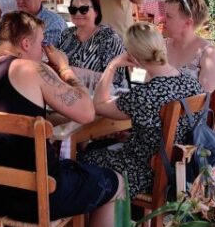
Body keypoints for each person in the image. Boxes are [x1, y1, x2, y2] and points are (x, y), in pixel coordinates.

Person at [0, 11, 123, 227]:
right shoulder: (30, 68)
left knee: (23, 162)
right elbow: (86, 112)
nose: (43, 51)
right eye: (40, 44)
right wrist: (64, 67)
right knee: (115, 183)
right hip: (37, 198)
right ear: (25, 44)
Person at [81, 22, 204, 202]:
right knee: (102, 146)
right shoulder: (191, 82)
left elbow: (98, 104)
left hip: (145, 172)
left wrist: (112, 65)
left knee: (84, 157)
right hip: (180, 169)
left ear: (133, 58)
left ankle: (91, 222)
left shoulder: (143, 95)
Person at [57, 0, 129, 92]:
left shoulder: (108, 37)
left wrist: (77, 73)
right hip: (68, 92)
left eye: (84, 9)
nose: (77, 13)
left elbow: (117, 78)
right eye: (73, 9)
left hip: (100, 96)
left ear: (96, 12)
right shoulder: (66, 34)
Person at [163, 0, 215, 93]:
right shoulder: (160, 47)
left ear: (188, 23)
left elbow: (208, 101)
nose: (161, 19)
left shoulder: (208, 53)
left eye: (169, 16)